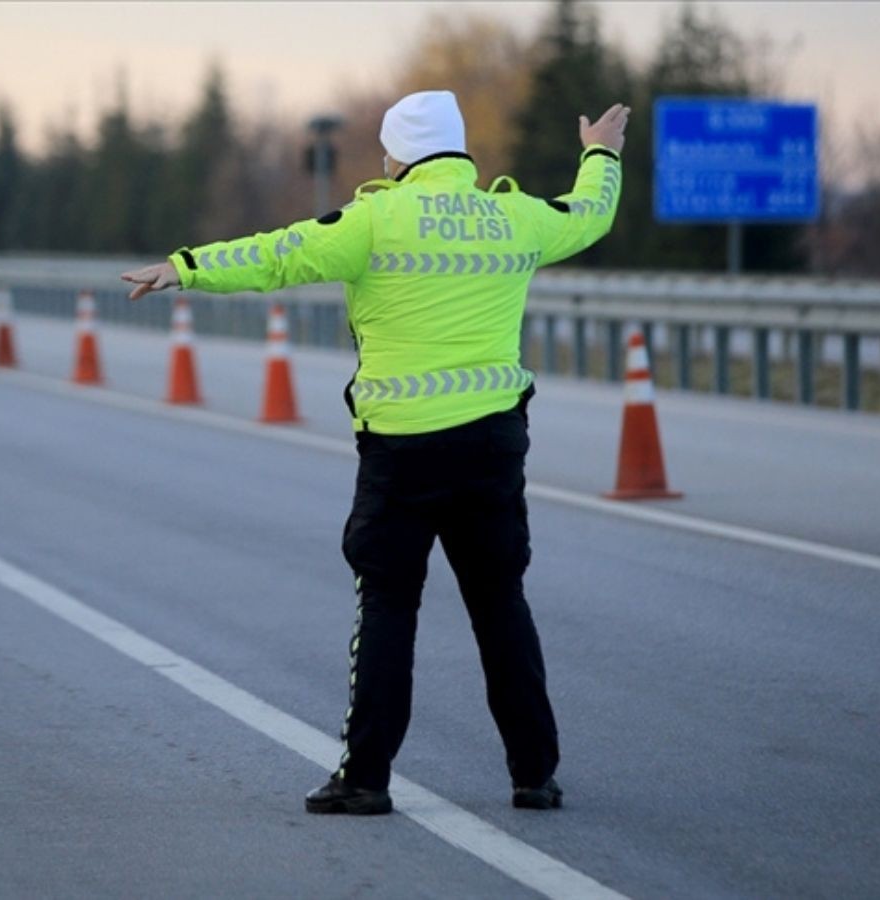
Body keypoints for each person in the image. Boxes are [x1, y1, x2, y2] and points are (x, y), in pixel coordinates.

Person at [123, 90, 629, 815]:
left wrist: (187, 267)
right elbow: (590, 215)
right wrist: (599, 155)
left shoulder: (374, 218)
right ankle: (533, 774)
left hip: (403, 450)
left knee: (390, 605)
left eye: (388, 150)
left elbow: (279, 255)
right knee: (499, 603)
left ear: (399, 155)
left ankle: (365, 778)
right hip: (492, 442)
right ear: (456, 150)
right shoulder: (513, 214)